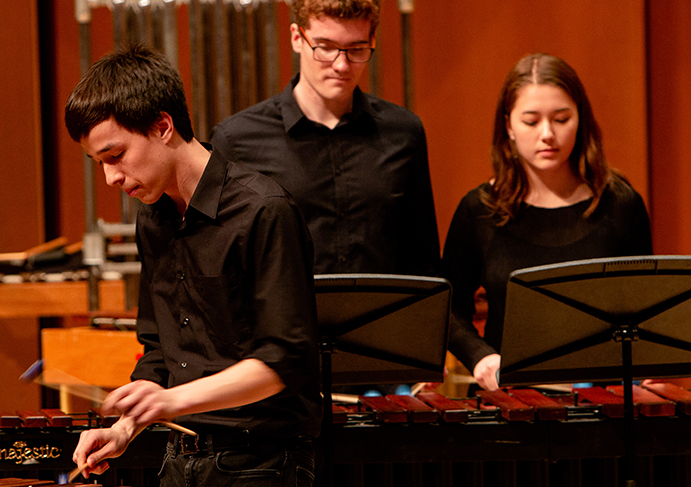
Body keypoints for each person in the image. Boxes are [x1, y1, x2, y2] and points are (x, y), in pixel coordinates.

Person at [64, 45, 321, 487]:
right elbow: (160, 351)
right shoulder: (153, 218)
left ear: (163, 127)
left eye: (115, 155)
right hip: (179, 460)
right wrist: (125, 428)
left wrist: (170, 401)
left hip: (259, 466)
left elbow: (285, 360)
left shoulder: (263, 210)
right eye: (100, 163)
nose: (110, 179)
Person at [441, 53, 653, 391]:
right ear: (508, 125)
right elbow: (447, 310)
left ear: (580, 119)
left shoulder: (621, 205)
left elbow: (646, 311)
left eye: (561, 118)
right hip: (510, 402)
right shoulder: (479, 209)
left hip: (605, 403)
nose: (547, 134)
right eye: (530, 121)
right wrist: (480, 356)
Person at [209, 0, 439, 277]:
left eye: (356, 49)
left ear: (372, 40)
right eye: (326, 47)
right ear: (297, 37)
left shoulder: (404, 132)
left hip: (383, 318)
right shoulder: (236, 140)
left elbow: (422, 258)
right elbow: (221, 264)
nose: (341, 65)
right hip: (284, 320)